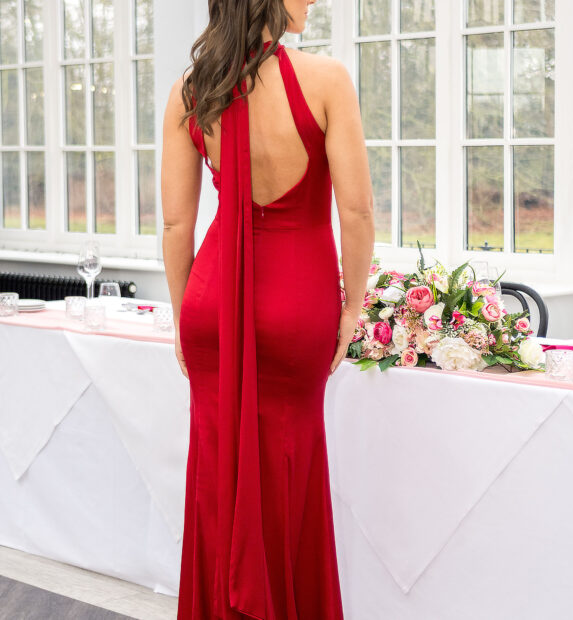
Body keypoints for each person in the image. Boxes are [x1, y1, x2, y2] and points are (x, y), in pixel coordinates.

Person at [161, 0, 374, 617]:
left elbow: (176, 225)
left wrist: (183, 318)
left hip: (211, 303)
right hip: (296, 302)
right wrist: (352, 308)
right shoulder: (326, 79)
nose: (315, 1)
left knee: (216, 472)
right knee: (290, 464)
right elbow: (356, 212)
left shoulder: (192, 90)